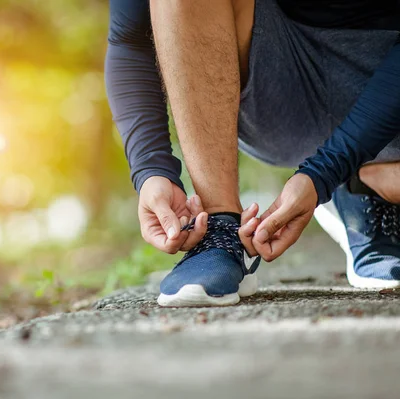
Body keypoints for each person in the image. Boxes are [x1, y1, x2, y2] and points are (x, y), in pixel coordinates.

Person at [105, 0, 400, 307]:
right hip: (280, 79)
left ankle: (367, 183)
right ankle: (220, 224)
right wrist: (150, 168)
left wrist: (326, 171)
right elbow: (130, 37)